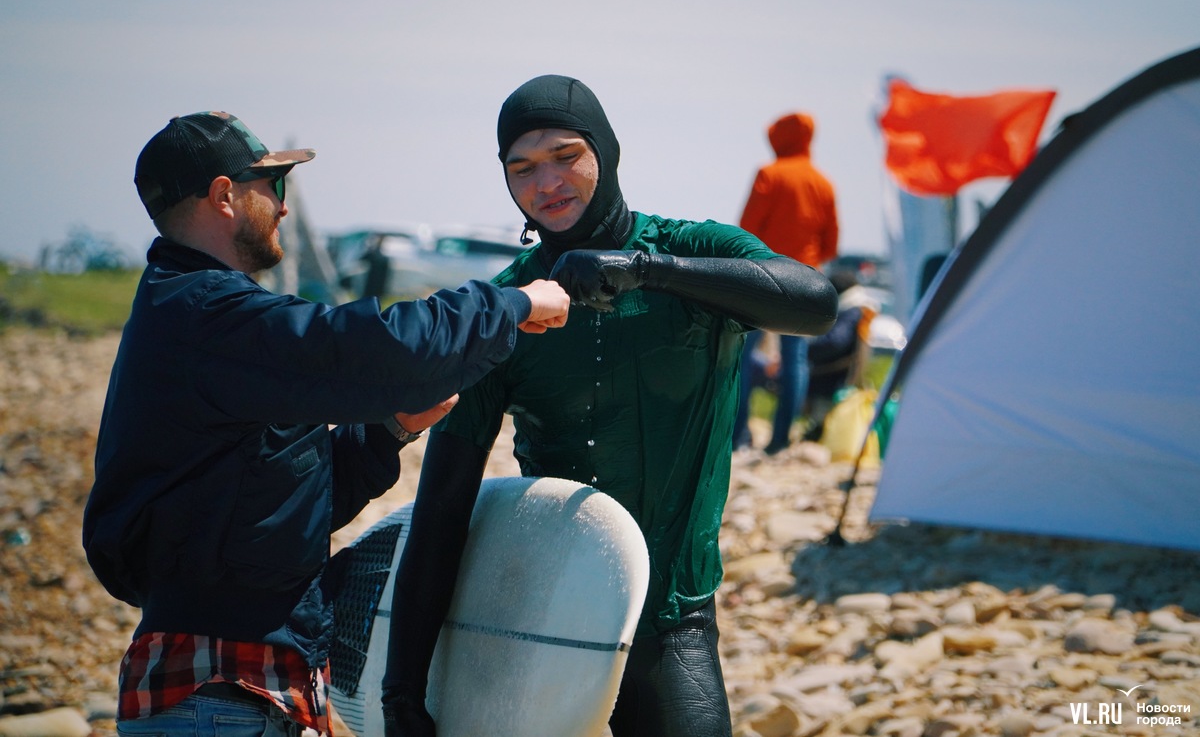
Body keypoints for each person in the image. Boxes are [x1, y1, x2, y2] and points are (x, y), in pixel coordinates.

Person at [81, 111, 570, 737]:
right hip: (218, 696)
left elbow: (284, 509)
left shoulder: (193, 318)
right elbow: (377, 349)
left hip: (247, 692)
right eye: (274, 185)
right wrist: (514, 301)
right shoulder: (205, 314)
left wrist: (389, 429)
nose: (284, 206)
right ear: (225, 196)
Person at [380, 76, 838, 737]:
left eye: (566, 156)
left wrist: (648, 269)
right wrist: (401, 692)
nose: (546, 182)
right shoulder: (507, 310)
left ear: (606, 151)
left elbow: (815, 305)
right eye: (522, 168)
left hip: (672, 617)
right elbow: (443, 509)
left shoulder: (693, 250)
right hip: (544, 619)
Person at [732, 112, 839, 455]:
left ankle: (738, 436)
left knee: (740, 353)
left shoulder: (770, 174)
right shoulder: (823, 183)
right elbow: (831, 244)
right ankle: (779, 442)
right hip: (805, 278)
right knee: (795, 359)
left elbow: (745, 231)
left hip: (765, 274)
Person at [802, 269, 878, 441]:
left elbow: (835, 342)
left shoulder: (851, 311)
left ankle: (817, 430)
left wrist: (806, 350)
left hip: (831, 378)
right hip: (839, 376)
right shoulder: (861, 309)